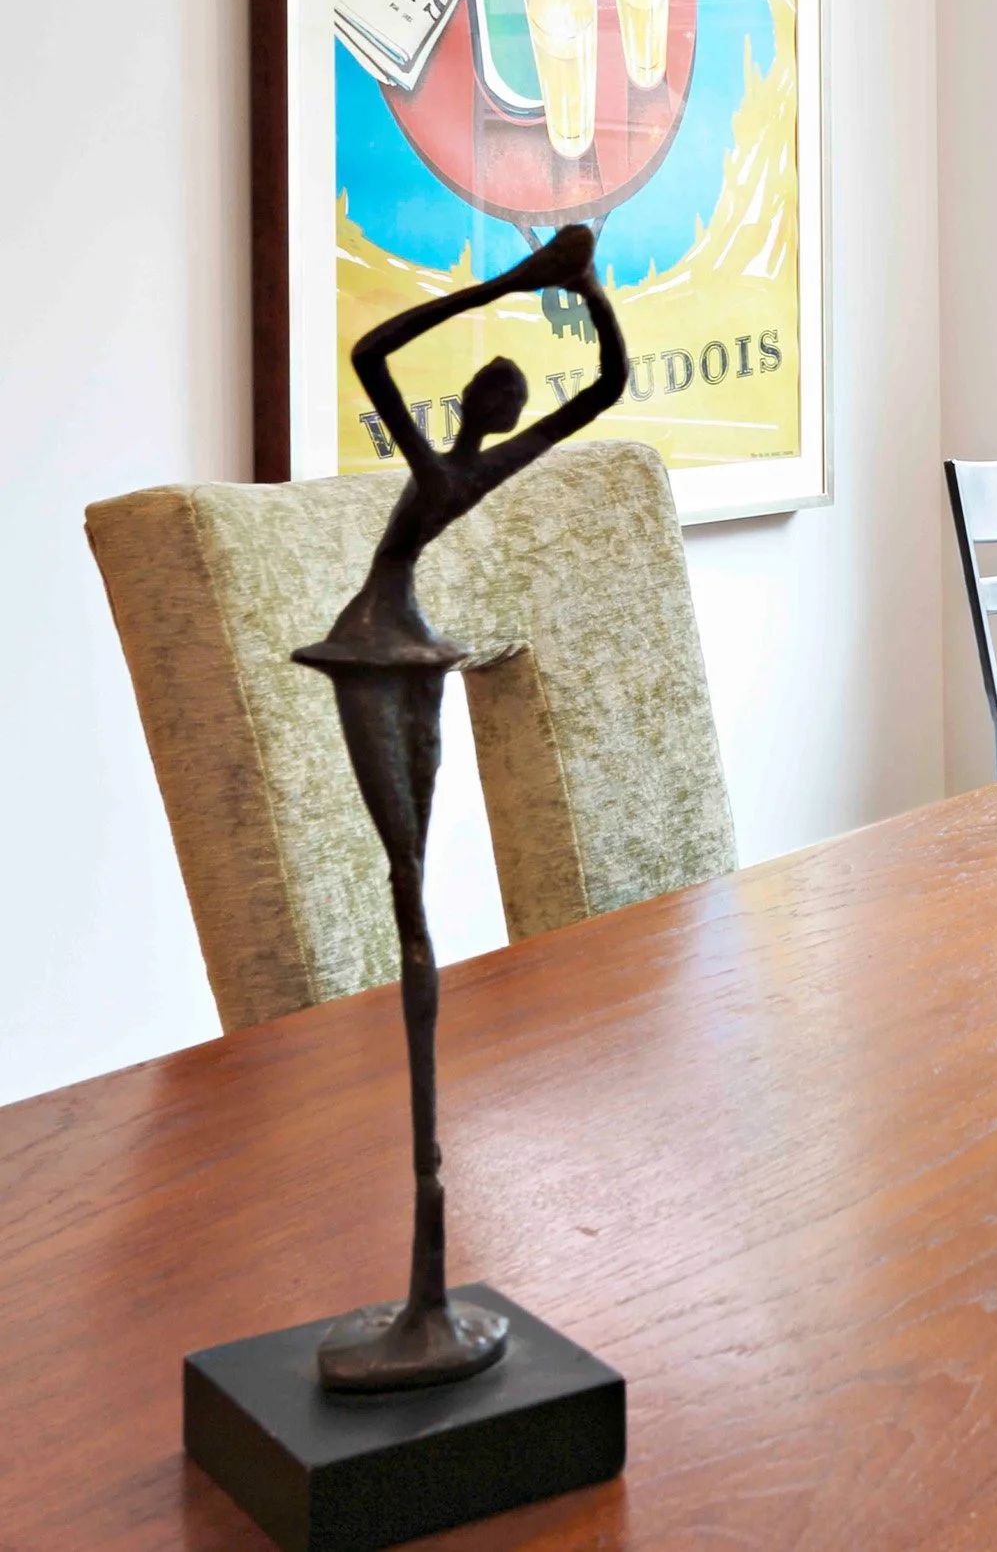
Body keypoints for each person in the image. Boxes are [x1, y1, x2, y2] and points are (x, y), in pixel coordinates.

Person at [295, 223, 626, 1391]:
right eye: (483, 393)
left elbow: (611, 387)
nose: (483, 408)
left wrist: (573, 289)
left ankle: (432, 1282)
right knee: (407, 898)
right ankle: (423, 1280)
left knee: (414, 907)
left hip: (405, 652)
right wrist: (520, 281)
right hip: (373, 649)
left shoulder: (471, 469)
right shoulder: (446, 464)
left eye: (491, 392)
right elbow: (378, 345)